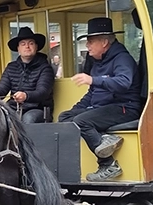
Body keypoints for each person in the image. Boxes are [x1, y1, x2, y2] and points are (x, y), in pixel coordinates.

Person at [58, 17, 142, 181]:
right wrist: (75, 109)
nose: (87, 46)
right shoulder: (97, 62)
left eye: (90, 41)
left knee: (82, 121)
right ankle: (105, 139)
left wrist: (93, 80)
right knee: (65, 117)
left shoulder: (122, 58)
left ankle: (109, 165)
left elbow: (124, 83)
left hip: (125, 107)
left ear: (104, 42)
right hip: (105, 108)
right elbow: (93, 93)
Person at [0, 27, 55, 123]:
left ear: (36, 47)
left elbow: (43, 92)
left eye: (31, 43)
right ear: (18, 48)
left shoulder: (45, 68)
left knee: (29, 119)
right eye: (23, 44)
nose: (27, 46)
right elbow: (2, 89)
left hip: (39, 110)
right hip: (14, 107)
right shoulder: (11, 67)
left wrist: (26, 96)